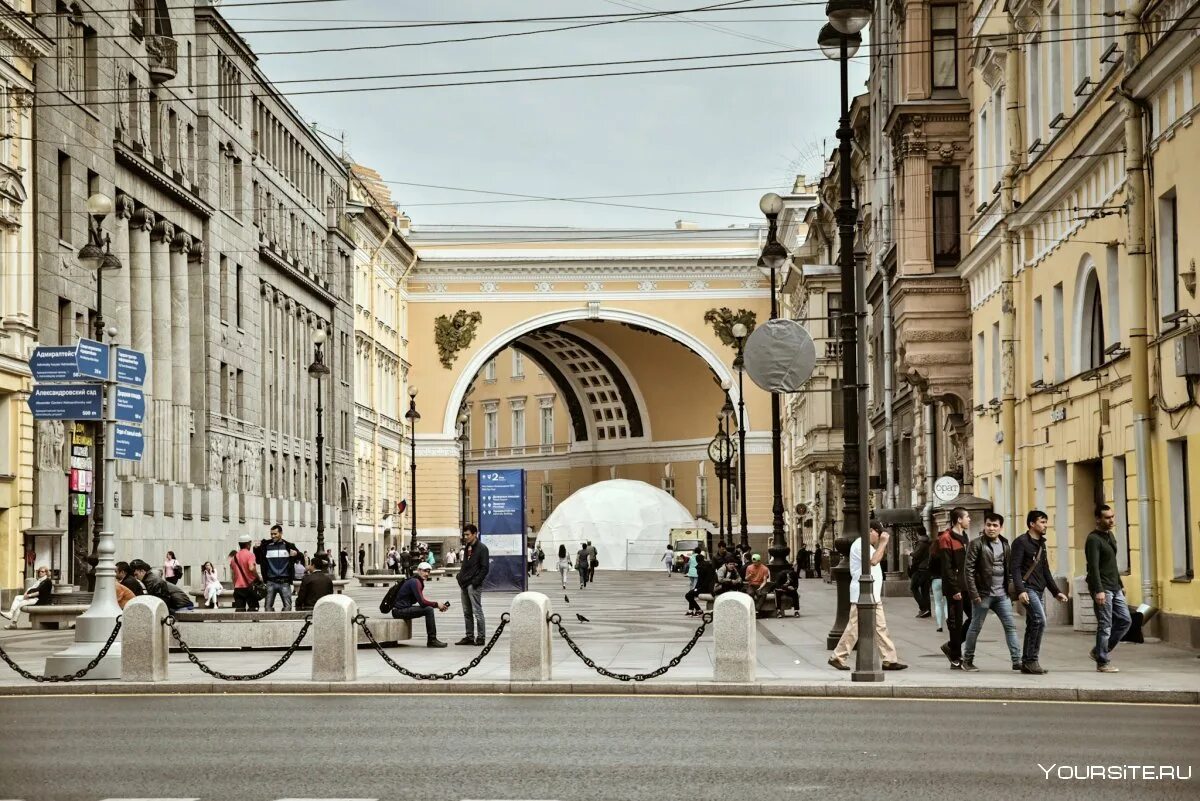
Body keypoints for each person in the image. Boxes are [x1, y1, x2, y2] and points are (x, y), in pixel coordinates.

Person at [829, 525, 907, 671]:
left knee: (880, 627)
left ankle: (889, 659)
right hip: (862, 594)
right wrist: (883, 543)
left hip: (871, 594)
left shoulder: (867, 545)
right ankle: (837, 656)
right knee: (854, 628)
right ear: (870, 530)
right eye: (878, 534)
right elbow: (874, 561)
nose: (879, 538)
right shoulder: (860, 545)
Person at [961, 512, 1022, 672]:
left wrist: (1010, 590)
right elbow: (969, 571)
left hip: (1002, 596)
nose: (991, 528)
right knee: (975, 627)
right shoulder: (976, 544)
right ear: (984, 526)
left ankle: (1017, 661)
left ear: (1001, 527)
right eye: (988, 525)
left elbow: (1008, 570)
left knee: (1010, 627)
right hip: (983, 595)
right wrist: (974, 595)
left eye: (995, 525)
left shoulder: (1005, 544)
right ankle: (967, 660)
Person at [1011, 510, 1069, 675]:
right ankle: (1031, 660)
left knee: (1033, 624)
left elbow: (1045, 570)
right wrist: (1020, 590)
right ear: (1031, 524)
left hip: (1039, 589)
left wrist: (1056, 592)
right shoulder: (1020, 542)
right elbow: (1014, 568)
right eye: (1042, 522)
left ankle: (1028, 661)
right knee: (1040, 620)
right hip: (1027, 588)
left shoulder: (1041, 544)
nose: (1045, 525)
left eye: (1045, 522)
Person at [1086, 504, 1130, 673]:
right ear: (1098, 519)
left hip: (1115, 586)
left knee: (1125, 620)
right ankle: (1102, 662)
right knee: (1105, 625)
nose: (1111, 520)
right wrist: (1099, 590)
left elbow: (1112, 564)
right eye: (1107, 517)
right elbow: (1094, 567)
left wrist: (1120, 584)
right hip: (1103, 587)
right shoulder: (1093, 539)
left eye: (1112, 517)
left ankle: (1099, 651)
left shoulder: (1110, 536)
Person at [935, 507, 972, 669]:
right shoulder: (946, 538)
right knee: (955, 622)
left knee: (974, 617)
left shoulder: (964, 536)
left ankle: (951, 645)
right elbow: (947, 567)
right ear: (959, 519)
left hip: (967, 585)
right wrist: (955, 588)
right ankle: (955, 657)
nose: (969, 519)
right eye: (967, 517)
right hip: (954, 587)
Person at [385, 562, 449, 647]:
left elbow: (421, 602)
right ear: (418, 571)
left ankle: (432, 640)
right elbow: (422, 602)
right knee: (429, 610)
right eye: (425, 571)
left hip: (400, 609)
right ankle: (432, 640)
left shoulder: (415, 580)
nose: (427, 574)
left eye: (428, 571)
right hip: (399, 611)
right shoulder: (415, 582)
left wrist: (437, 605)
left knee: (428, 608)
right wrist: (437, 604)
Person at [456, 523, 490, 646]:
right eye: (464, 535)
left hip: (473, 585)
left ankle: (481, 637)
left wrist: (475, 582)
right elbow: (465, 565)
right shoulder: (467, 547)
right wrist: (459, 577)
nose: (466, 537)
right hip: (464, 583)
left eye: (468, 535)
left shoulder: (482, 548)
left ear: (475, 534)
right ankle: (469, 636)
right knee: (467, 612)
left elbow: (485, 568)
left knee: (477, 611)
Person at [256, 524, 300, 612]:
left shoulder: (288, 546)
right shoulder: (266, 546)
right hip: (270, 582)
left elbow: (300, 557)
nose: (273, 536)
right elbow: (258, 560)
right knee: (267, 608)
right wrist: (256, 549)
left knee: (288, 608)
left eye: (275, 534)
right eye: (271, 534)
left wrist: (296, 554)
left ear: (281, 533)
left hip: (285, 582)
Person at [229, 534, 260, 612]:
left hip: (238, 588)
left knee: (240, 611)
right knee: (253, 609)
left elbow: (233, 575)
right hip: (249, 587)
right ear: (248, 543)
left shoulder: (234, 557)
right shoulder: (250, 555)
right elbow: (251, 568)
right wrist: (258, 577)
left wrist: (235, 585)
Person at [908, 530, 932, 618]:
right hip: (927, 569)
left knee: (913, 587)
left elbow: (916, 555)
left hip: (920, 570)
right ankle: (928, 610)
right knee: (925, 591)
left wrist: (909, 553)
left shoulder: (921, 543)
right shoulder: (929, 542)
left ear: (918, 534)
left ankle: (924, 608)